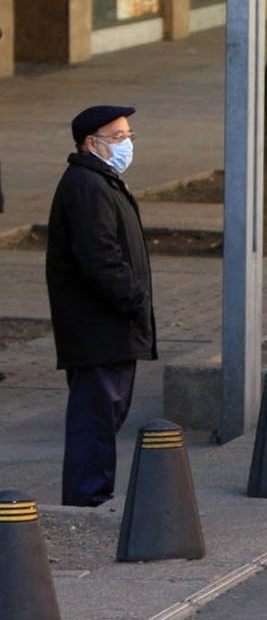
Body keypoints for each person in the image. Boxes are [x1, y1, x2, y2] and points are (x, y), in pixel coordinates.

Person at [46, 104, 154, 507]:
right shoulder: (87, 187)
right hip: (100, 329)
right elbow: (101, 259)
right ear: (91, 143)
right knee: (95, 420)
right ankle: (87, 502)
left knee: (104, 418)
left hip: (108, 328)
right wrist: (133, 301)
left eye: (129, 136)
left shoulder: (100, 181)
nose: (127, 144)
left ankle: (91, 496)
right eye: (119, 137)